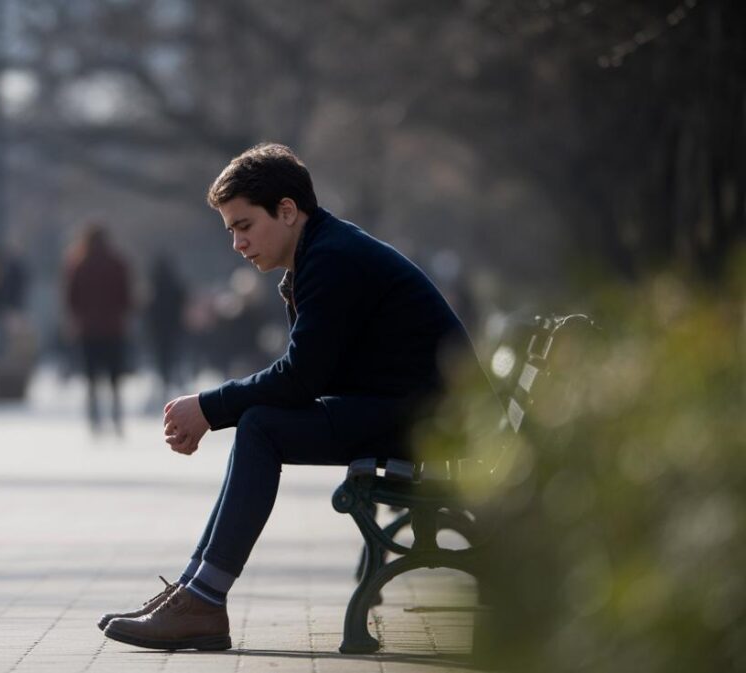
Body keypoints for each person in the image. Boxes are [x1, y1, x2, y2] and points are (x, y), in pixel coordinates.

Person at [99, 143, 482, 650]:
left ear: (286, 210)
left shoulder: (331, 259)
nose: (237, 243)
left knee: (261, 426)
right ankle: (197, 591)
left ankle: (203, 598)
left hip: (433, 426)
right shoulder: (322, 252)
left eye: (244, 226)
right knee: (261, 421)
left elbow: (301, 378)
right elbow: (308, 377)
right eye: (231, 230)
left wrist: (210, 409)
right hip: (416, 414)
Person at [64, 222, 133, 436]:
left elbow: (71, 297)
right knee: (114, 379)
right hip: (113, 328)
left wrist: (76, 319)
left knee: (91, 378)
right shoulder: (117, 263)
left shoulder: (78, 264)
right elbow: (127, 297)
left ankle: (94, 420)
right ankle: (116, 418)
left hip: (88, 329)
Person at [144, 254, 188, 405]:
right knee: (174, 357)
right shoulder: (174, 284)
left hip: (158, 329)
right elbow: (183, 299)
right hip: (173, 327)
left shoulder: (154, 286)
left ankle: (165, 384)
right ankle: (175, 383)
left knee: (162, 359)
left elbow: (147, 308)